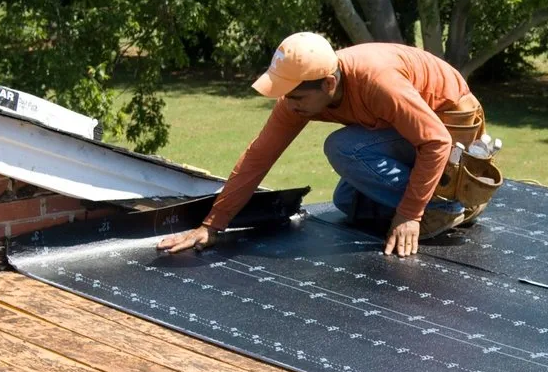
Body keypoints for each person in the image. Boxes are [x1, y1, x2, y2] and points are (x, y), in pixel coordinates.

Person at [157, 31, 488, 258]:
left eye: (297, 96)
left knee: (344, 148)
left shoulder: (377, 82)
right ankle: (448, 200)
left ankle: (449, 206)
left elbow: (435, 141)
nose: (289, 103)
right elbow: (260, 157)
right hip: (404, 128)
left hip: (450, 124)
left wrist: (410, 215)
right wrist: (212, 225)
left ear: (329, 83)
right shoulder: (300, 97)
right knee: (346, 201)